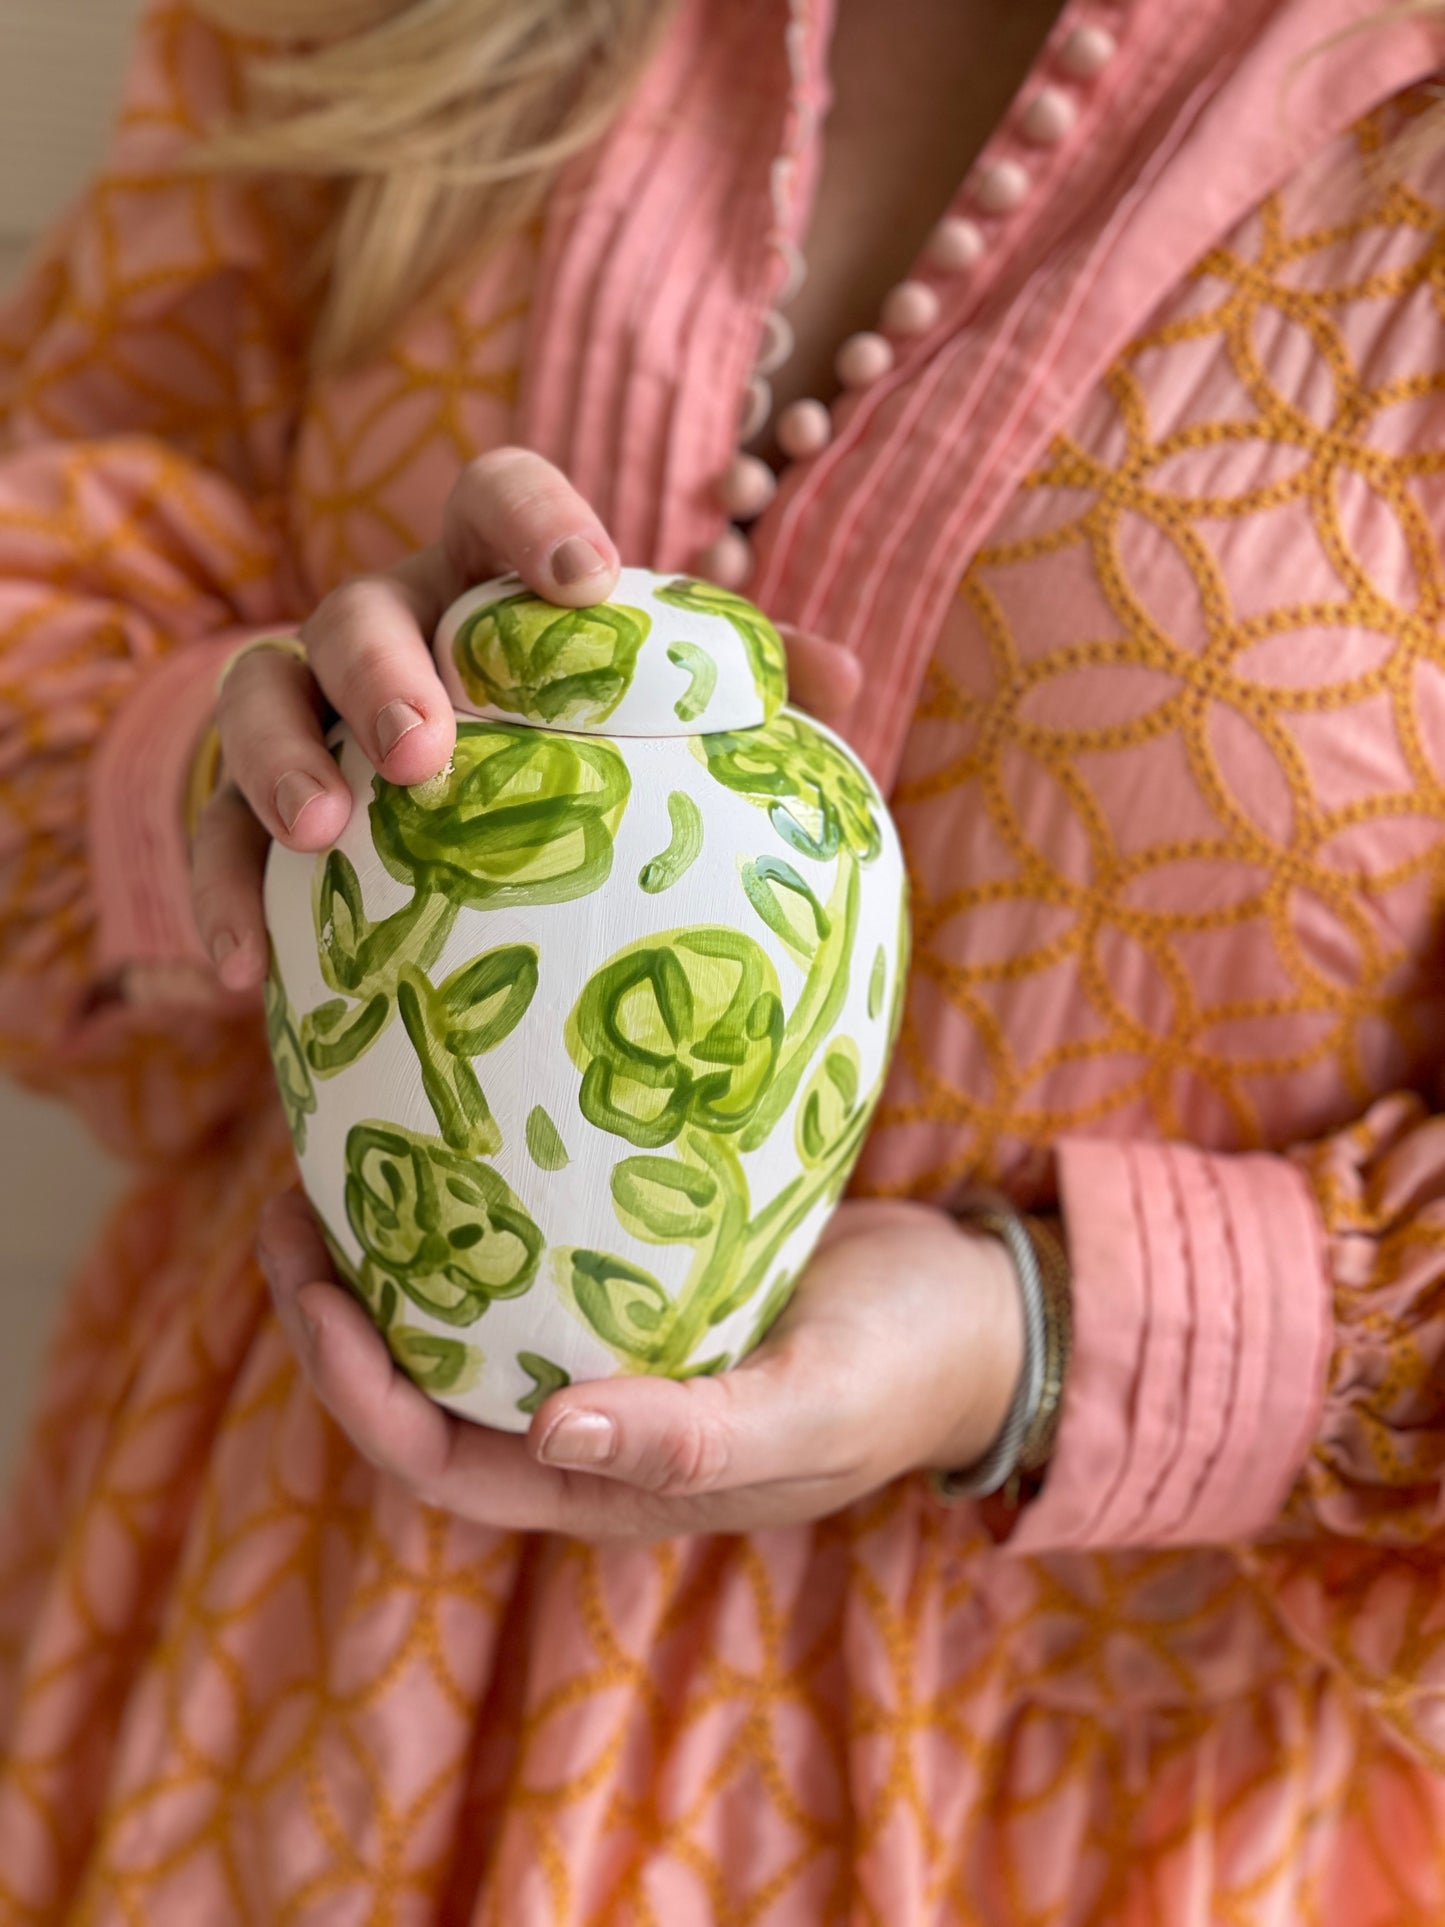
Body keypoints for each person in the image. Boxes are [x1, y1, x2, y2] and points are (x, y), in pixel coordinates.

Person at [2, 0, 1444, 1914]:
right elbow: (61, 556)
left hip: (1062, 1808)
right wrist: (243, 777)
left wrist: (1038, 1341)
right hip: (267, 1718)